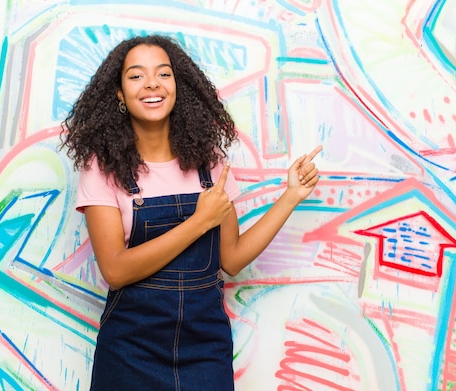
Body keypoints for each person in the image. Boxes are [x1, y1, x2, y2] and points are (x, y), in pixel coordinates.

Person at [60, 34, 321, 391]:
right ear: (119, 94)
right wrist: (199, 222)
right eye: (136, 76)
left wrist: (291, 197)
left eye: (163, 74)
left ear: (178, 87)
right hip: (129, 352)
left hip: (205, 350)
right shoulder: (102, 168)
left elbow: (231, 259)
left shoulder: (209, 164)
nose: (152, 83)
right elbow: (116, 270)